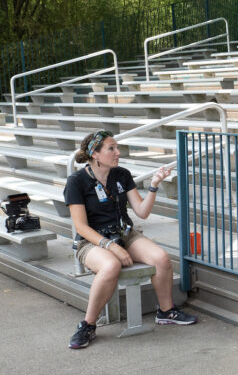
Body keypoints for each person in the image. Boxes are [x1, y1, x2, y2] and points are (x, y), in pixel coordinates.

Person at [65, 131, 197, 349]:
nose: (118, 152)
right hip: (92, 241)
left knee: (161, 258)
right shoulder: (76, 181)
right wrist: (111, 247)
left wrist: (154, 185)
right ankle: (88, 324)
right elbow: (81, 227)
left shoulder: (121, 175)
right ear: (95, 154)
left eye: (117, 147)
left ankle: (166, 311)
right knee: (111, 266)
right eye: (111, 148)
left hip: (124, 233)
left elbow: (142, 212)